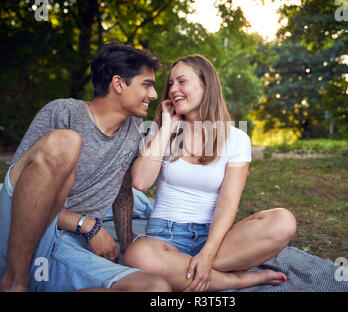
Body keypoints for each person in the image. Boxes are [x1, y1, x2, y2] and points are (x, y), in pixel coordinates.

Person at [0, 43, 172, 292]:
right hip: (8, 243)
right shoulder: (64, 111)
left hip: (61, 254)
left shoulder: (133, 131)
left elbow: (122, 191)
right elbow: (21, 190)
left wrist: (126, 245)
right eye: (147, 84)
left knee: (155, 288)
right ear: (119, 83)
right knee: (67, 142)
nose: (154, 95)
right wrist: (87, 225)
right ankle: (15, 284)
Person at [124, 54, 297, 292]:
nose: (174, 89)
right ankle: (236, 279)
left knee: (283, 221)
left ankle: (190, 271)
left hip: (216, 239)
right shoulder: (162, 132)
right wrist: (167, 127)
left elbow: (227, 204)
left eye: (182, 81)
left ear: (206, 85)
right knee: (139, 255)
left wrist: (207, 253)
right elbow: (141, 181)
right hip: (165, 237)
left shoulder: (236, 139)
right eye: (171, 84)